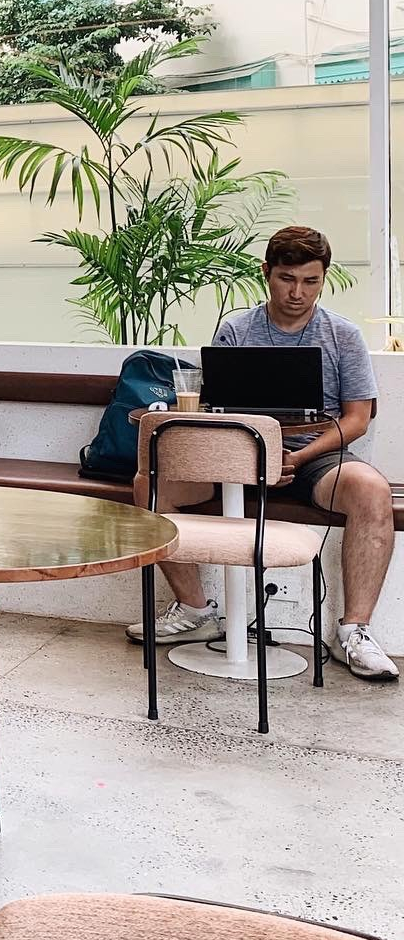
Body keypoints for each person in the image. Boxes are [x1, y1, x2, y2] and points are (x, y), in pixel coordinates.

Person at [128, 225, 398, 681]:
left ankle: (355, 632)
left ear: (324, 278)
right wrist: (253, 459)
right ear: (266, 273)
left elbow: (356, 419)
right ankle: (195, 610)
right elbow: (217, 409)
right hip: (237, 455)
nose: (298, 293)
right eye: (287, 279)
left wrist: (297, 458)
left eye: (311, 281)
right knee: (150, 483)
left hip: (313, 458)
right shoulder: (236, 330)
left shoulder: (343, 335)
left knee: (372, 491)